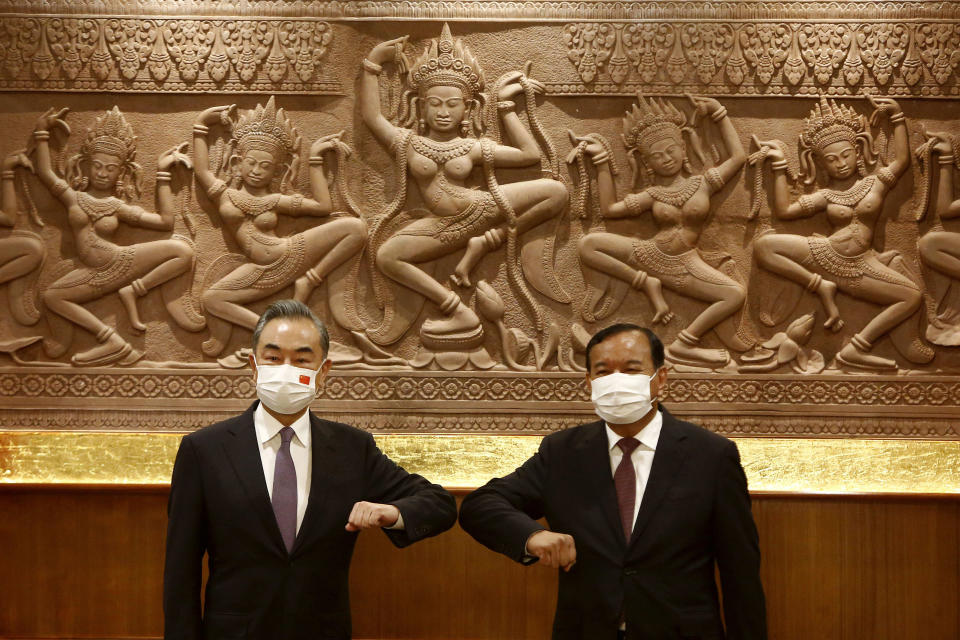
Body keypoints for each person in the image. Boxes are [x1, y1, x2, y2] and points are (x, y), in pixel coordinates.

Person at [163, 299, 457, 639]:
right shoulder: (204, 451)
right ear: (254, 366)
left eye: (302, 360)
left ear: (324, 371)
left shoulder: (352, 449)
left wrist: (390, 512)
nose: (286, 369)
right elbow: (180, 577)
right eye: (273, 358)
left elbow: (439, 505)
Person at [459, 323, 767, 639]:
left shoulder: (712, 456)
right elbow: (480, 506)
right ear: (590, 382)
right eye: (604, 372)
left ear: (660, 379)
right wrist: (532, 536)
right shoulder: (563, 452)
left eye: (632, 370)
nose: (617, 381)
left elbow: (740, 575)